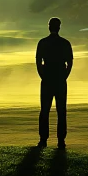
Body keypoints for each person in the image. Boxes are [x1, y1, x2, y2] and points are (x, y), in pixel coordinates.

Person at [35, 17, 73, 149]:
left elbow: (39, 63)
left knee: (45, 110)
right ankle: (61, 140)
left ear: (49, 27)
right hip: (60, 80)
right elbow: (70, 63)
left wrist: (43, 76)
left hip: (47, 80)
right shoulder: (65, 43)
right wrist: (64, 77)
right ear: (59, 27)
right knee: (61, 111)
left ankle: (43, 139)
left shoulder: (43, 43)